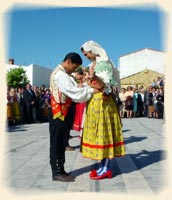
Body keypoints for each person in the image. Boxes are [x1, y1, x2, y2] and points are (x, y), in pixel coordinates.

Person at [49, 52, 98, 182]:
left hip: (64, 112)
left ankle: (61, 170)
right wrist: (91, 90)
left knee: (61, 142)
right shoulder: (60, 75)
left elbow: (75, 89)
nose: (74, 70)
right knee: (57, 143)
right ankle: (57, 172)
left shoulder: (65, 75)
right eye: (74, 67)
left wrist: (87, 87)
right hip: (59, 113)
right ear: (69, 62)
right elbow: (74, 93)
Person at [80, 40, 125, 180]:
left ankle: (106, 168)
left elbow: (107, 86)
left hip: (103, 104)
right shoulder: (93, 65)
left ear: (93, 51)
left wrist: (94, 78)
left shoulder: (104, 64)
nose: (86, 56)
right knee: (98, 134)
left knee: (104, 134)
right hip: (95, 103)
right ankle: (102, 166)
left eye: (87, 53)